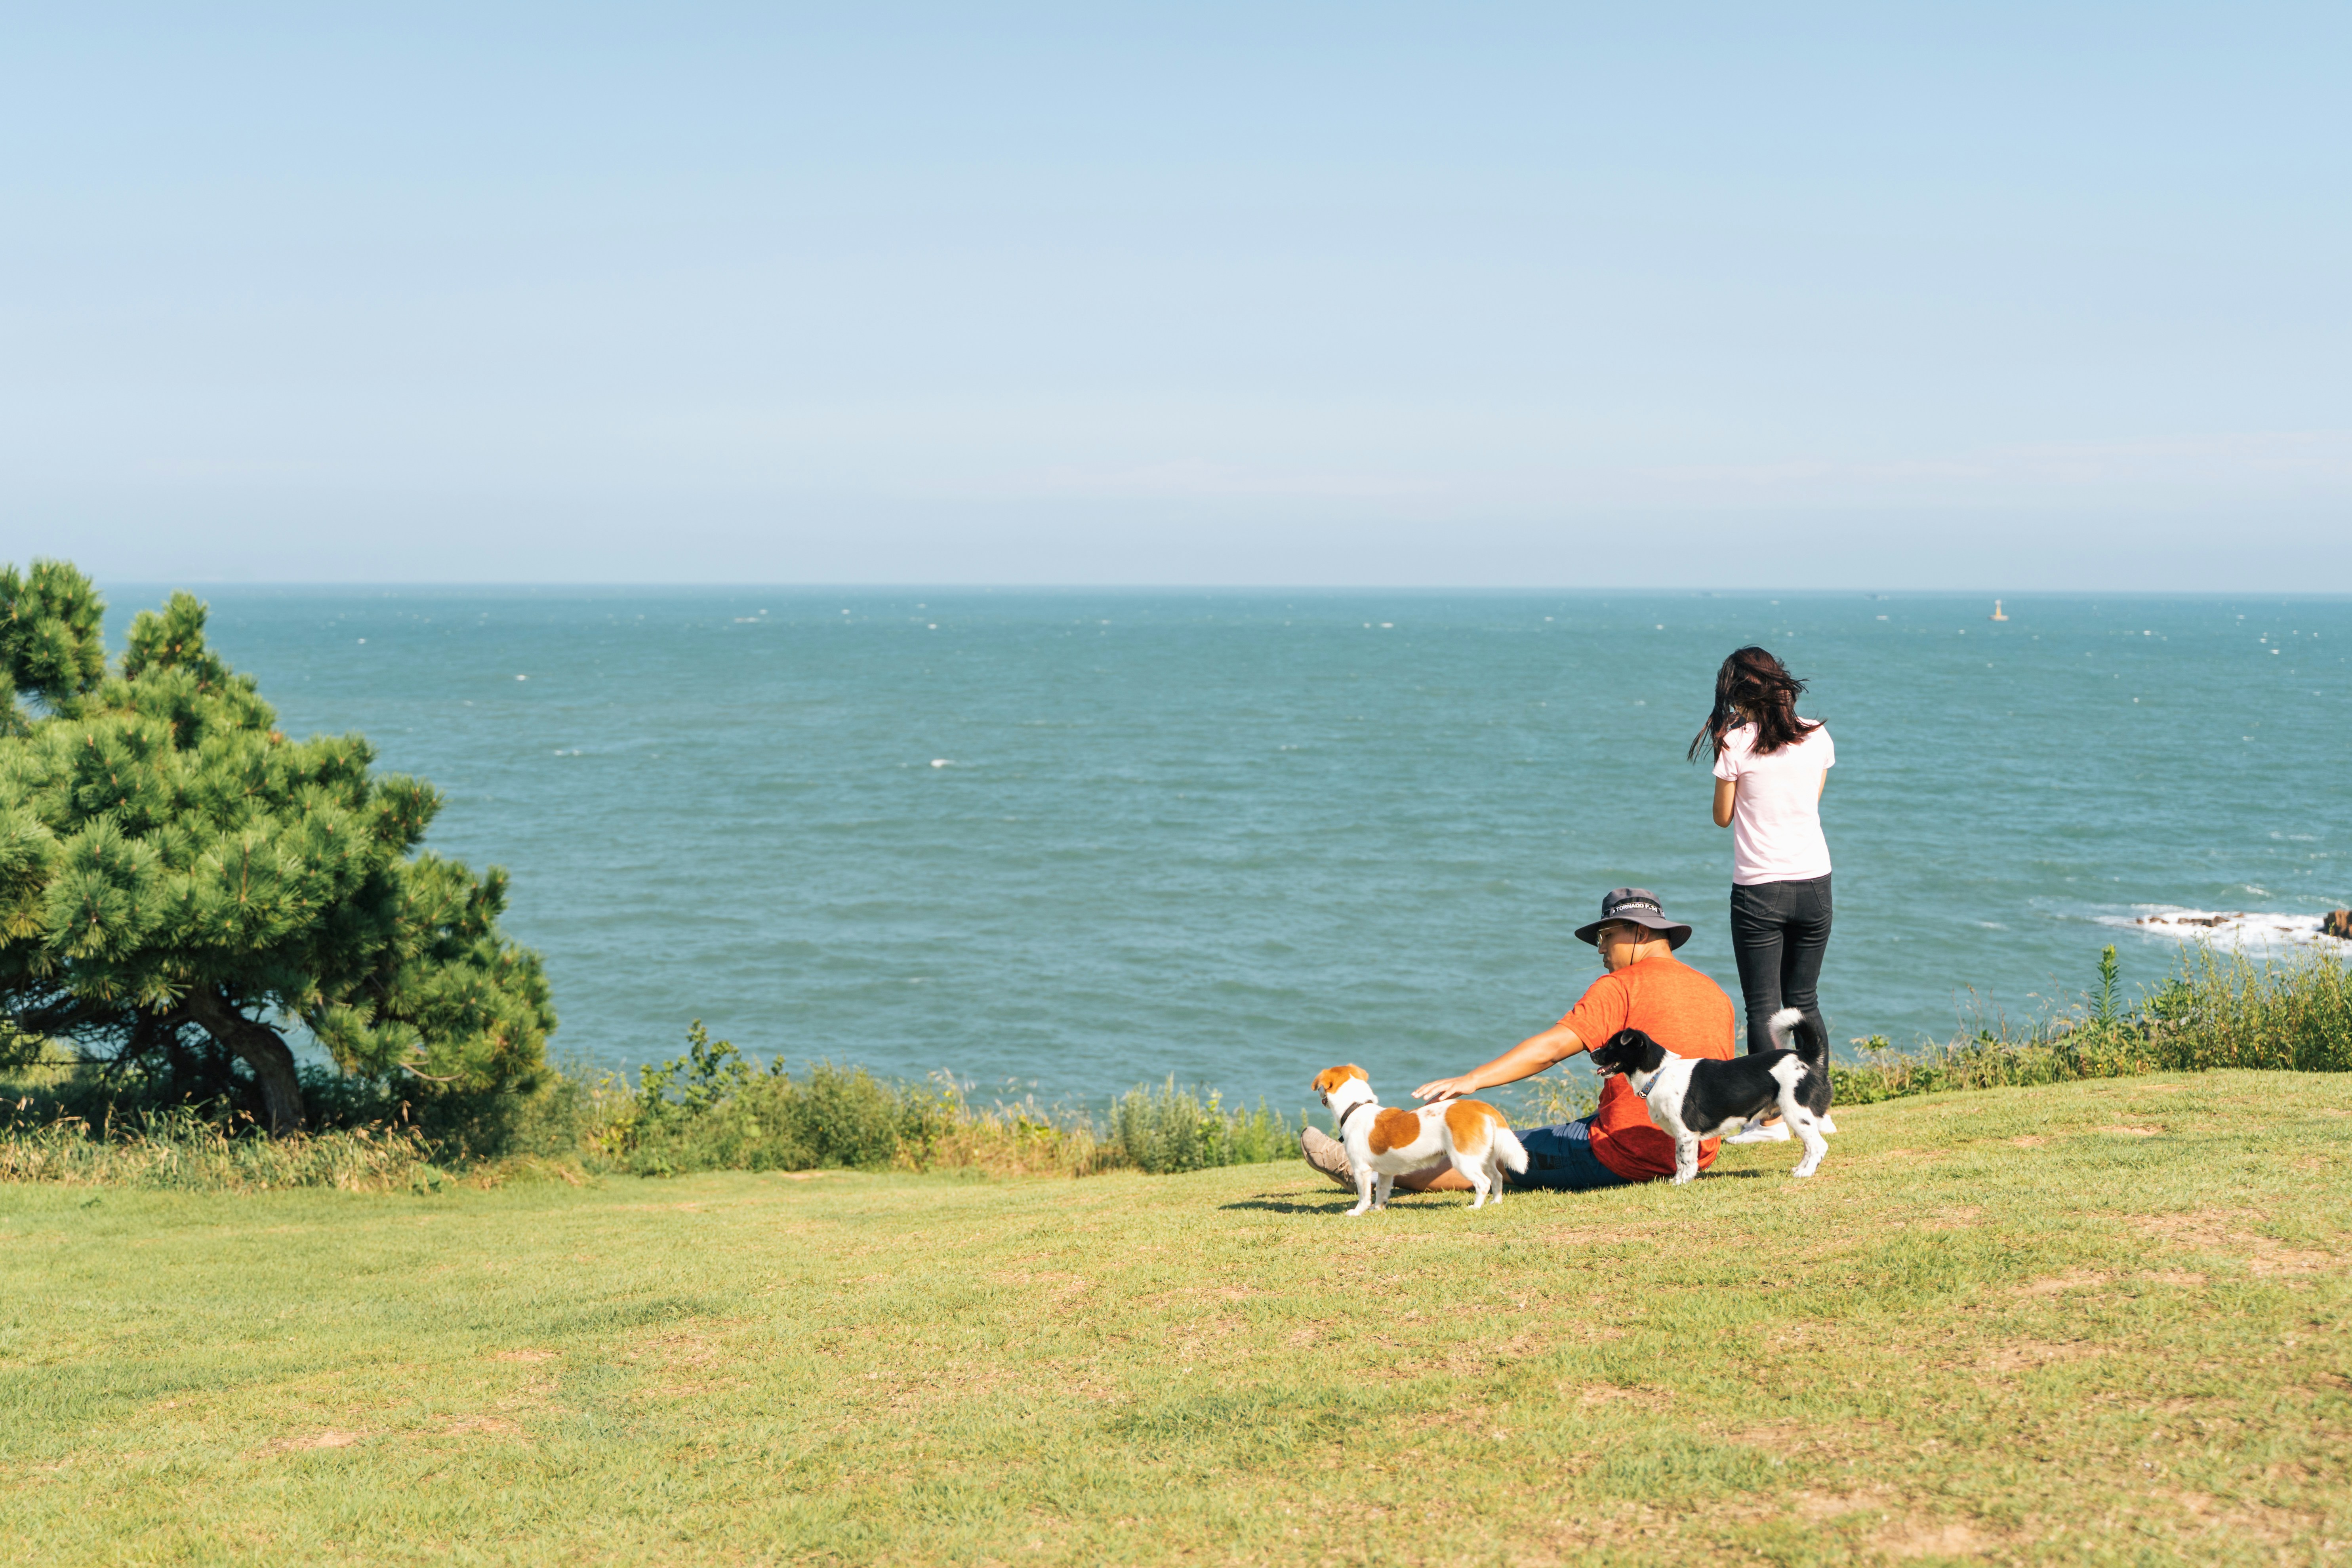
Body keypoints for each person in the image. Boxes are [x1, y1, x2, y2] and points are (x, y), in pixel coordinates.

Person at [1300, 888, 1736, 1193]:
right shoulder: (1716, 994)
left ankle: (1365, 1166)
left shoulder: (1621, 985)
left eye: (1606, 937)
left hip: (1627, 1151)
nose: (1601, 950)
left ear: (1639, 933)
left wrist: (1473, 1079)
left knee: (1491, 1148)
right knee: (1557, 1129)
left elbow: (1550, 1049)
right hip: (1696, 1153)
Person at [1689, 647, 1834, 1143]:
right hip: (1815, 882)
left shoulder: (1734, 742)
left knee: (1763, 1005)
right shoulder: (1816, 734)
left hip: (1759, 888)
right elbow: (1808, 802)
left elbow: (1722, 816)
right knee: (1805, 998)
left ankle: (1772, 1117)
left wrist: (1725, 747)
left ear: (1737, 693)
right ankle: (1817, 1109)